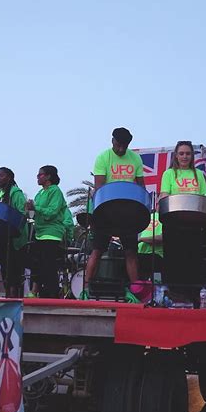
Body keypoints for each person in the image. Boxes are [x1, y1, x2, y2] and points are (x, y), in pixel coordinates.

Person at [80, 127, 145, 301]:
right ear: (112, 141)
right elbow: (100, 187)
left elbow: (140, 187)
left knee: (131, 251)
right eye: (118, 145)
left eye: (124, 146)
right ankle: (85, 288)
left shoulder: (136, 158)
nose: (121, 149)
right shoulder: (103, 157)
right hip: (106, 212)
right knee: (97, 250)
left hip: (128, 213)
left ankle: (136, 290)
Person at [159, 141, 206, 295]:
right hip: (174, 222)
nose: (184, 156)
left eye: (187, 153)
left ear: (192, 156)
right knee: (174, 257)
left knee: (194, 257)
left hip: (194, 222)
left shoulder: (199, 174)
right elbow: (164, 195)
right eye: (181, 153)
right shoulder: (169, 174)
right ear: (176, 156)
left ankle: (193, 293)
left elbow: (203, 197)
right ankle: (173, 292)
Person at [25, 166, 68, 298]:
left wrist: (36, 207)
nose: (37, 177)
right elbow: (34, 214)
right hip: (40, 233)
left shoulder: (55, 191)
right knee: (37, 264)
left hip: (52, 233)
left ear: (48, 176)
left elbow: (52, 212)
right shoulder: (39, 194)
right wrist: (28, 209)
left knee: (49, 266)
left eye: (40, 175)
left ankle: (52, 294)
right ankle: (36, 291)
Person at [0, 167, 28, 297]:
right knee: (5, 268)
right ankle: (7, 293)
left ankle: (14, 295)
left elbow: (22, 212)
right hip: (2, 235)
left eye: (1, 175)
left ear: (9, 177)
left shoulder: (16, 192)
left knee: (14, 269)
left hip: (15, 238)